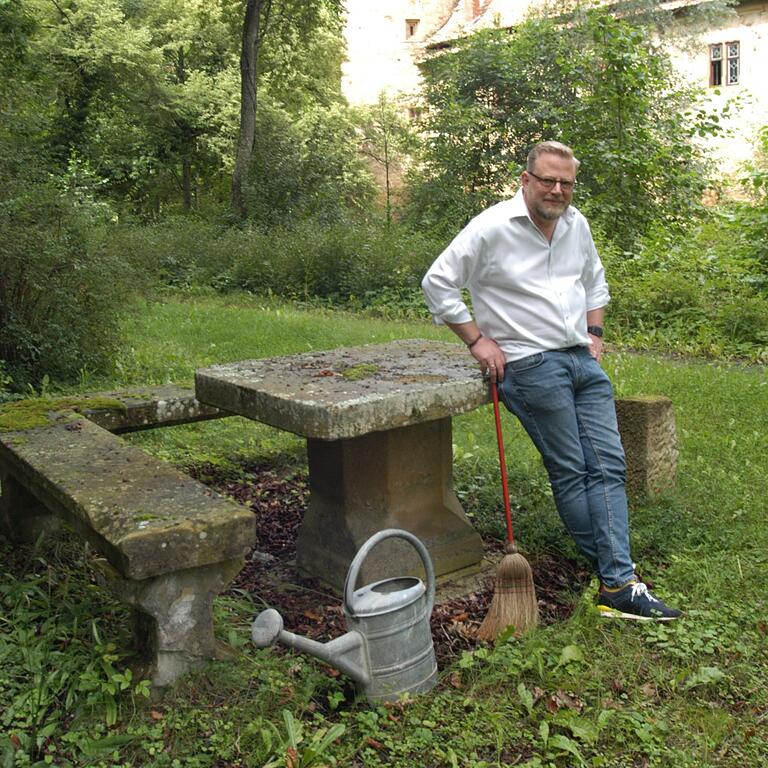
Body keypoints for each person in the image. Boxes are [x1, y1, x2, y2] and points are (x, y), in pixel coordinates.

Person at [421, 140, 680, 621]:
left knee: (609, 466)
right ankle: (618, 579)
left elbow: (594, 281)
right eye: (547, 180)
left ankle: (616, 577)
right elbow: (437, 282)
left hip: (581, 361)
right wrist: (478, 341)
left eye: (565, 182)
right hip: (529, 365)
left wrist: (595, 332)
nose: (557, 190)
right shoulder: (492, 227)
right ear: (526, 180)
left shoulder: (575, 225)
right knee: (573, 470)